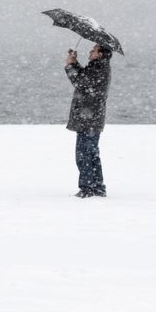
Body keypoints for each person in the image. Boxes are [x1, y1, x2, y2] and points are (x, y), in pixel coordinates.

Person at [65, 43, 113, 197]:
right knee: (90, 154)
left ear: (100, 54)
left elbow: (80, 82)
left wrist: (71, 66)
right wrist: (74, 63)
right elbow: (84, 79)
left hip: (90, 119)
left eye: (94, 50)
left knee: (84, 155)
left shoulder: (99, 68)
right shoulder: (97, 67)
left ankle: (87, 188)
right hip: (91, 118)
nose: (91, 52)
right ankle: (97, 187)